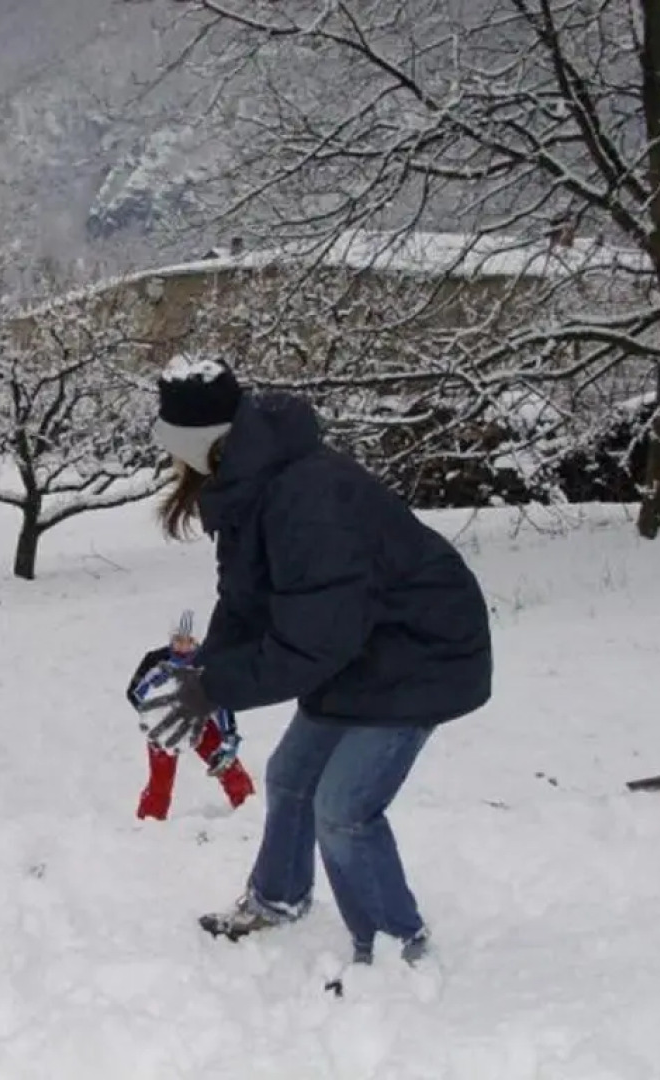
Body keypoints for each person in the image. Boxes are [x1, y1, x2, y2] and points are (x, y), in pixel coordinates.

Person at [136, 354, 492, 966]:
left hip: (420, 652)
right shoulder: (249, 479)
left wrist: (215, 686)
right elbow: (246, 603)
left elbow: (313, 640)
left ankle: (393, 948)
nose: (170, 461)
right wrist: (198, 672)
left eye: (173, 445)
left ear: (200, 443)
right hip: (363, 647)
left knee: (344, 808)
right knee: (290, 777)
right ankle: (278, 899)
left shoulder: (306, 498)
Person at [125, 609, 256, 820]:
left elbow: (223, 702)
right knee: (160, 779)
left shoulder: (208, 664)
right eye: (178, 640)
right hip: (164, 728)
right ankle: (150, 820)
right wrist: (156, 716)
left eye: (189, 641)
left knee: (226, 764)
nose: (183, 646)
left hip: (200, 723)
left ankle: (247, 805)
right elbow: (135, 693)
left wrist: (229, 735)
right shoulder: (157, 662)